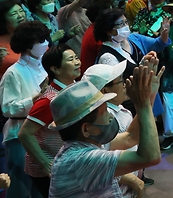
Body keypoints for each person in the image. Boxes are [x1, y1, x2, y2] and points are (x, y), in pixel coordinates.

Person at [47, 59, 163, 198]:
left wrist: (149, 96)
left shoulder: (81, 146)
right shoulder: (82, 160)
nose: (110, 118)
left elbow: (130, 137)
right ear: (86, 129)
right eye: (105, 113)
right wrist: (142, 103)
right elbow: (150, 157)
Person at [19, 44, 81, 197]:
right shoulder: (49, 100)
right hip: (48, 169)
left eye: (77, 57)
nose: (77, 62)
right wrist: (46, 164)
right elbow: (25, 134)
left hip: (66, 164)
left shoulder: (74, 87)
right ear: (55, 69)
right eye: (71, 59)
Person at [1, 21, 51, 198]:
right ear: (29, 45)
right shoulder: (14, 72)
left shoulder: (43, 66)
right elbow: (8, 108)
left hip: (43, 132)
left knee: (41, 184)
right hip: (19, 134)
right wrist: (35, 100)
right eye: (41, 40)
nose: (46, 43)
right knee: (21, 185)